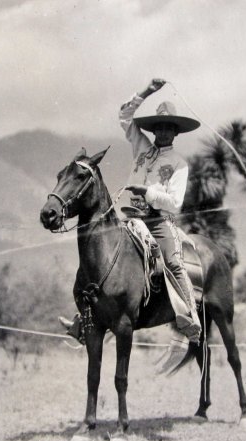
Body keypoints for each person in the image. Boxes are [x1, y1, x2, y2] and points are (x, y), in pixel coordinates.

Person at [60, 78, 202, 346]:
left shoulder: (179, 164)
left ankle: (190, 317)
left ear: (175, 133)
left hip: (159, 221)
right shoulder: (142, 148)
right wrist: (148, 90)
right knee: (97, 257)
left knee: (173, 261)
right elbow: (124, 115)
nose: (162, 132)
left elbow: (175, 203)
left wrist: (147, 192)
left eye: (167, 128)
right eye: (158, 127)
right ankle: (85, 319)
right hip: (127, 218)